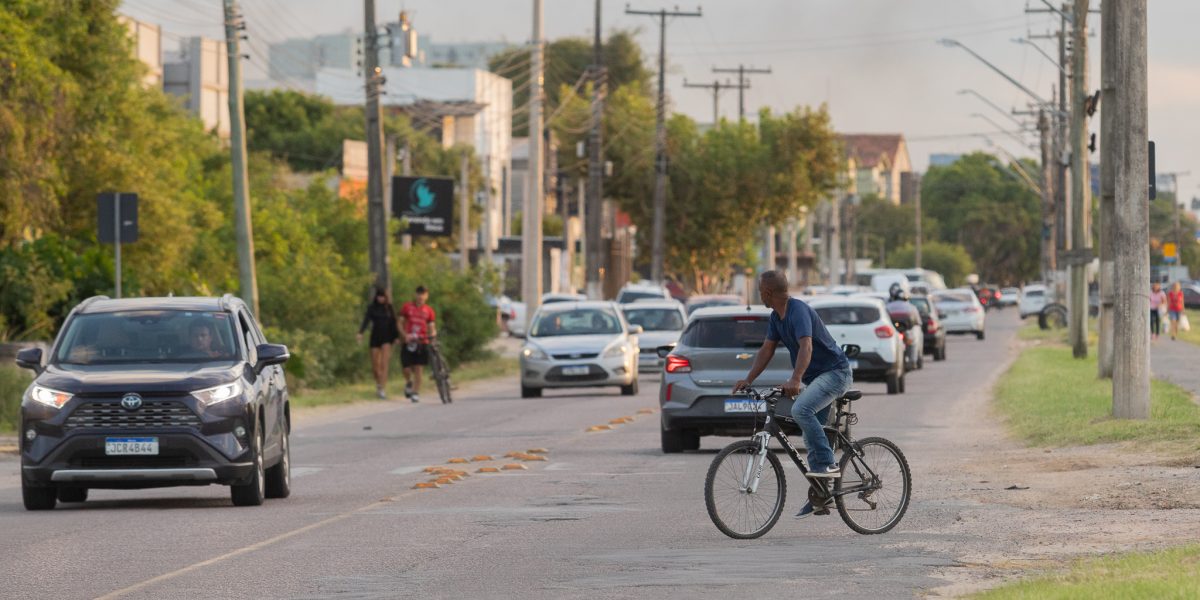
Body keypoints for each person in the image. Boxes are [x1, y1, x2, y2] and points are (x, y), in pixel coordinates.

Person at [733, 270, 852, 519]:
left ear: (767, 292)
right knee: (811, 435)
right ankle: (822, 497)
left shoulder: (797, 310)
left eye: (759, 292)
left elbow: (806, 345)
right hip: (818, 378)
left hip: (836, 373)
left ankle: (829, 463)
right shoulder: (776, 318)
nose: (759, 295)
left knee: (800, 411)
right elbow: (766, 350)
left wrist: (795, 379)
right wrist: (749, 379)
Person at [357, 288, 400, 399]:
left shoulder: (389, 308)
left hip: (387, 337)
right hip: (375, 337)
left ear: (386, 297)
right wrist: (360, 332)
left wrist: (396, 336)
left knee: (384, 364)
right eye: (379, 296)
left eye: (383, 296)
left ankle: (382, 388)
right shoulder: (372, 308)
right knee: (375, 366)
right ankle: (378, 383)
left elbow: (394, 322)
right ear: (376, 297)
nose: (381, 298)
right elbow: (366, 320)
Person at [400, 285, 437, 402]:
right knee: (406, 368)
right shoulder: (407, 307)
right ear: (415, 294)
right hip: (409, 340)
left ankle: (416, 392)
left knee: (418, 369)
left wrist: (433, 335)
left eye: (423, 294)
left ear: (426, 296)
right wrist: (404, 335)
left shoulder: (429, 310)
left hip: (422, 341)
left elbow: (431, 326)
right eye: (419, 293)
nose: (421, 296)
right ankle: (408, 382)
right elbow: (399, 322)